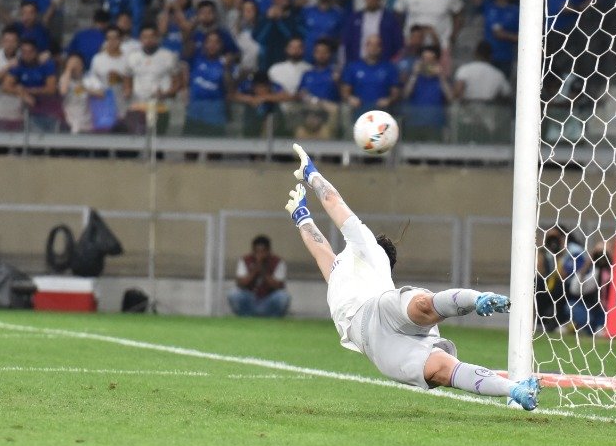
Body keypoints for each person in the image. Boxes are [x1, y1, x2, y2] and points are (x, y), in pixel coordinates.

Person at [285, 144, 539, 409]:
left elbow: (333, 202)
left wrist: (311, 174)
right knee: (441, 370)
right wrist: (301, 216)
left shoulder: (368, 247)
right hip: (377, 345)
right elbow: (320, 250)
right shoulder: (339, 271)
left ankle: (478, 299)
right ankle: (515, 390)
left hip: (377, 309)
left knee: (421, 305)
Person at [228, 234, 291, 317]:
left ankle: (273, 319)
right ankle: (245, 317)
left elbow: (278, 286)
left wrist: (263, 271)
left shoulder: (277, 262)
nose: (260, 254)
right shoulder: (245, 260)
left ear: (268, 251)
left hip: (268, 300)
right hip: (250, 299)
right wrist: (254, 270)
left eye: (263, 251)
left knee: (283, 296)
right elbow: (241, 284)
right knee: (234, 294)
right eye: (257, 251)